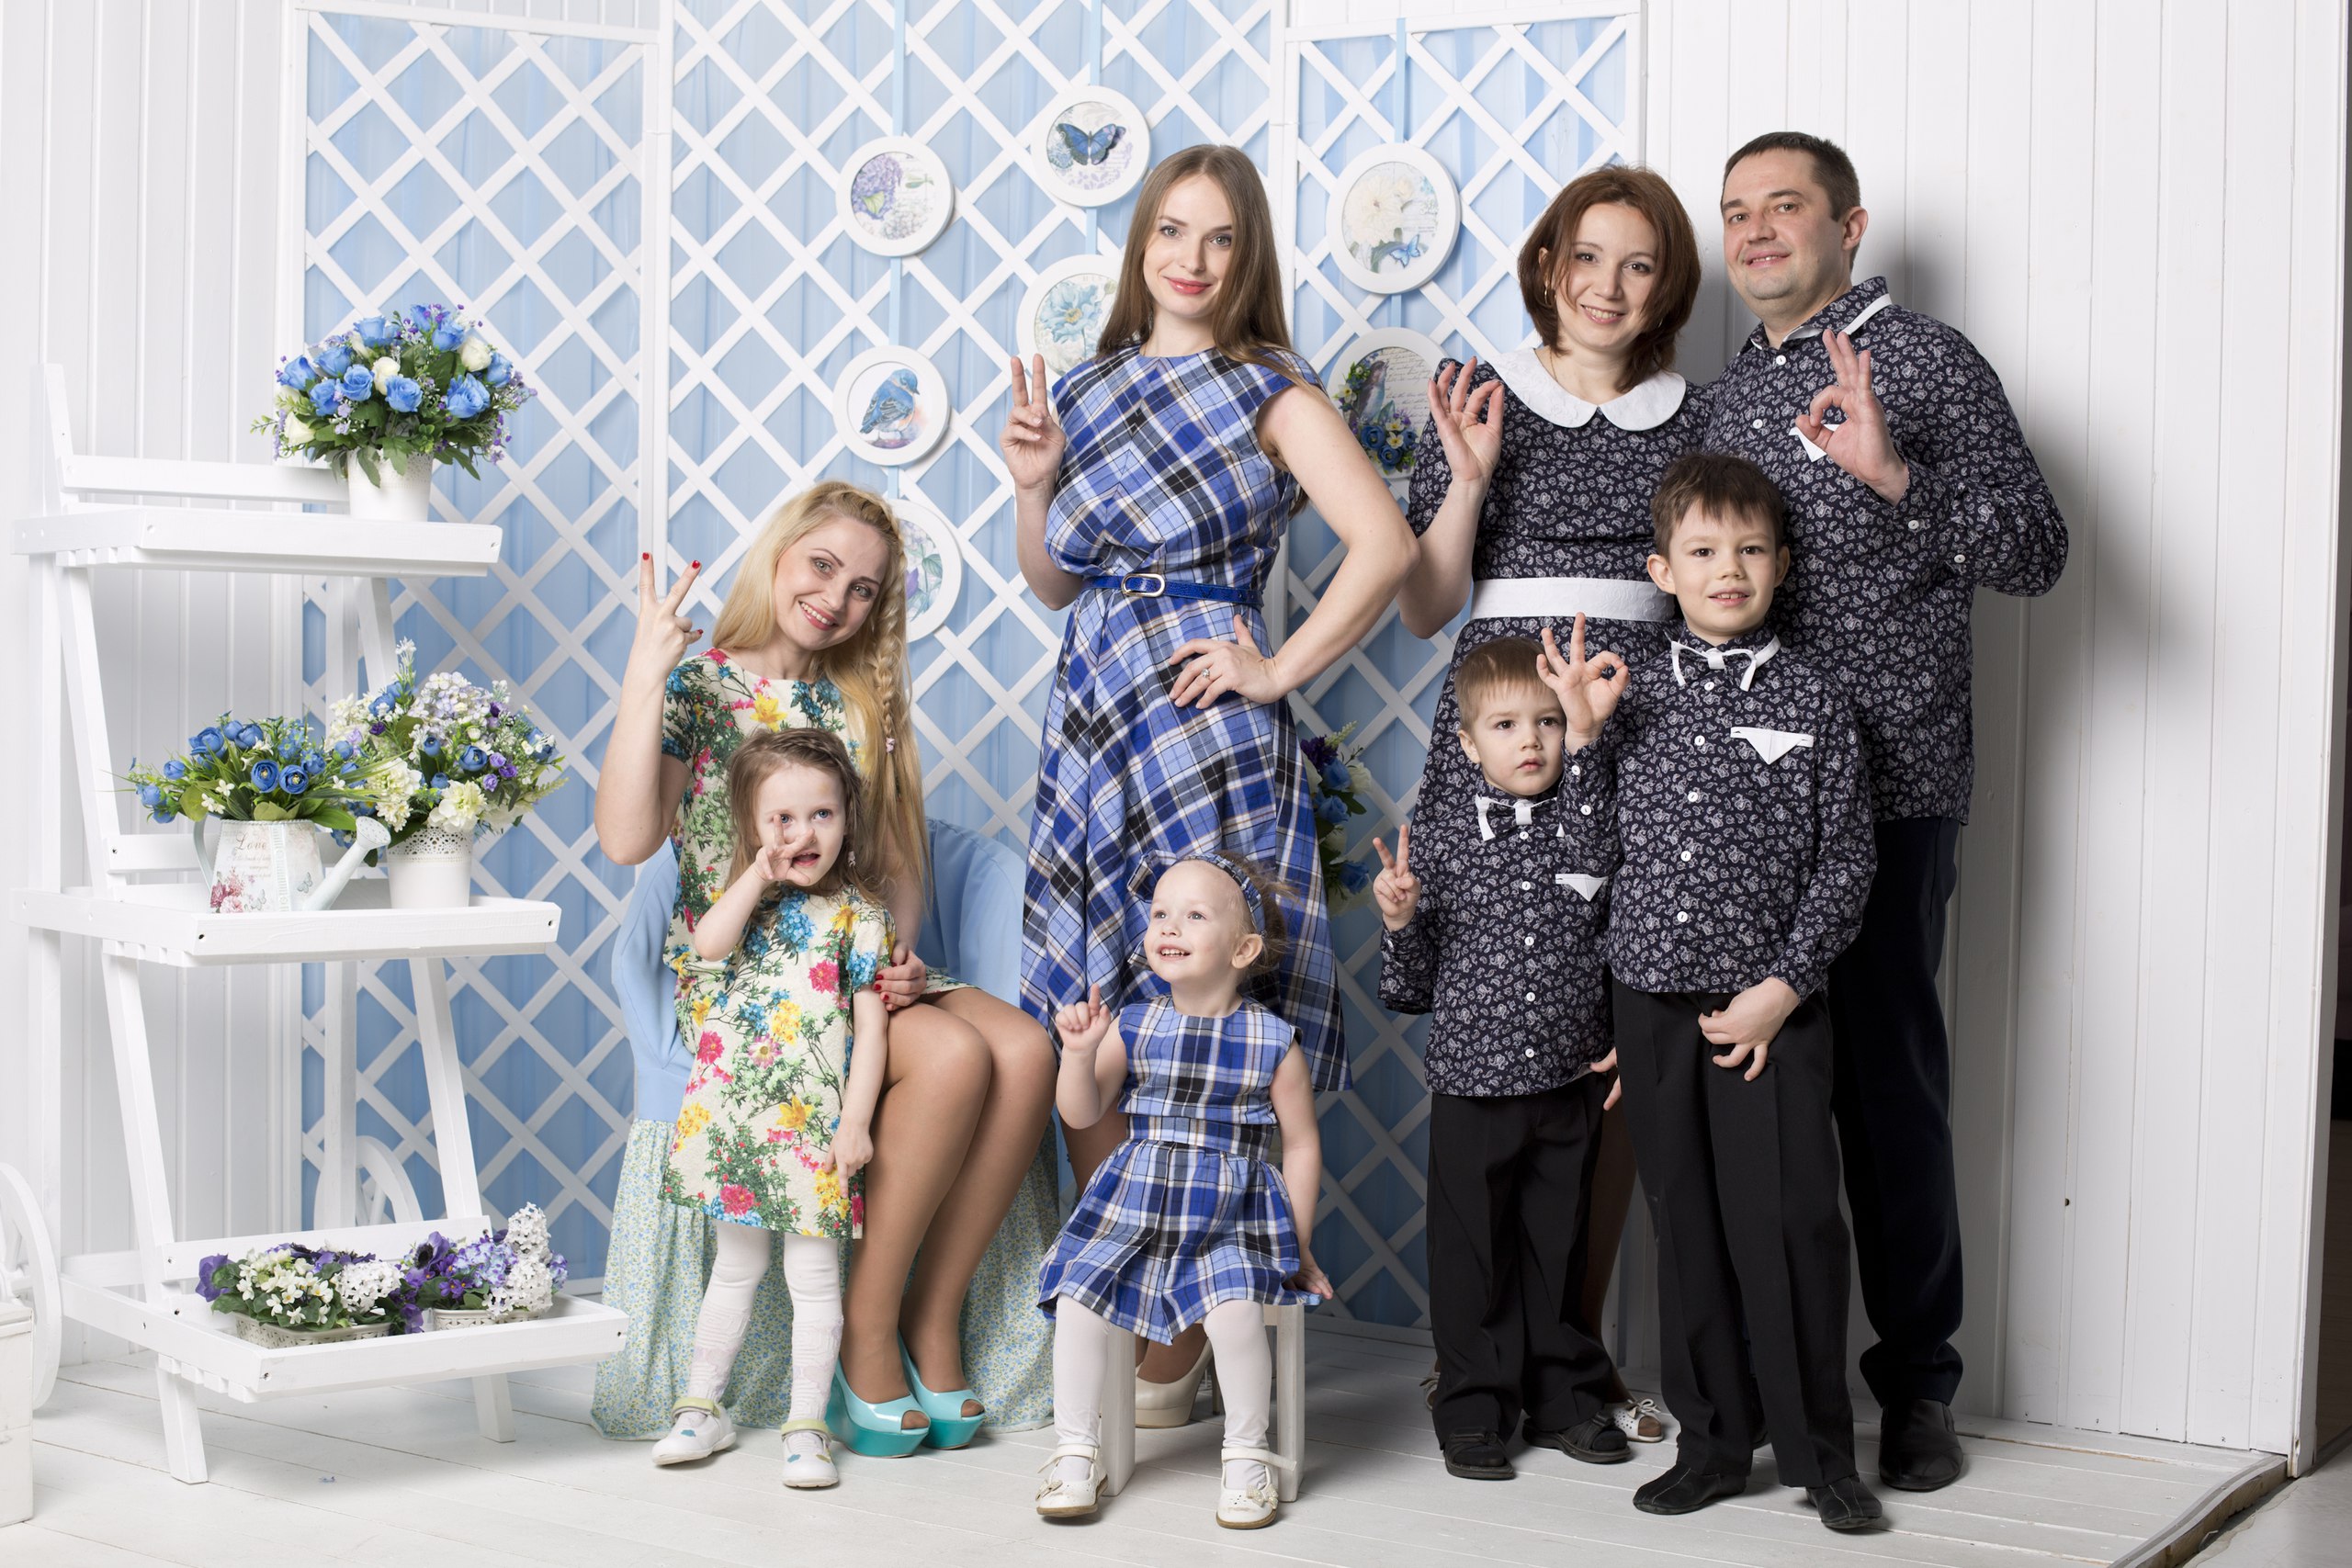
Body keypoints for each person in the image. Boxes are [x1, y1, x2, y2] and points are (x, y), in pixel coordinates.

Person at [1002, 143, 1414, 1418]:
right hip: (1093, 714)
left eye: (1220, 237)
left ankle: (1198, 1322)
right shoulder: (1088, 385)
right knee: (1096, 1011)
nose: (1190, 258)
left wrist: (1274, 666)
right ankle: (1139, 1291)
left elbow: (1385, 546)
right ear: (1141, 243)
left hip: (1200, 724)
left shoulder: (1269, 387)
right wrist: (1031, 488)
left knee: (1208, 1010)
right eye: (1171, 231)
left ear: (1248, 258)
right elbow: (1057, 580)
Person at [1703, 131, 2067, 1490]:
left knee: (1887, 1091)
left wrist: (1893, 476)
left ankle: (1918, 1386)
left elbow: (2037, 550)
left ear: (1848, 226)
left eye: (1783, 206)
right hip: (1738, 805)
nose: (1755, 231)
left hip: (1894, 784)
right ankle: (1762, 1393)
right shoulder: (1721, 397)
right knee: (1757, 1104)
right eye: (1736, 212)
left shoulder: (1924, 364)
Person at [592, 480, 1058, 1451]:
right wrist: (643, 678)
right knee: (956, 1058)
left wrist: (901, 953)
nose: (836, 598)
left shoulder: (859, 698)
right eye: (822, 566)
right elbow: (629, 839)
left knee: (1026, 1051)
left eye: (863, 588)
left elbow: (895, 854)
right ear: (778, 553)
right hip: (750, 980)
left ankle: (932, 1311)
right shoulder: (700, 687)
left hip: (848, 956)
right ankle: (868, 1335)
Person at [1396, 164, 1705, 1448]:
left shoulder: (1698, 413)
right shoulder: (1480, 392)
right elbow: (1426, 604)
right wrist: (1469, 478)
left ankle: (1568, 1353)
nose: (1608, 287)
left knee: (1615, 1037)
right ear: (1546, 264)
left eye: (1639, 264)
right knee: (1501, 1010)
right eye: (1587, 257)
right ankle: (1477, 1360)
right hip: (1504, 716)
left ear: (1667, 284)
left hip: (1642, 717)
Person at [1541, 452, 1880, 1530]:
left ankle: (1822, 1455)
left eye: (1749, 550)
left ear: (1779, 566)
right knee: (1682, 1225)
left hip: (1771, 1008)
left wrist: (1785, 987)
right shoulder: (1624, 694)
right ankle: (1715, 1442)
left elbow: (1846, 862)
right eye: (1701, 552)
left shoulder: (1814, 696)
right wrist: (1582, 740)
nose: (1726, 570)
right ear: (1662, 571)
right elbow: (1586, 854)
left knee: (1789, 1224)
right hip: (1651, 1003)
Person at [1371, 637, 1629, 1482]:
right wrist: (1402, 922)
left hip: (1569, 1077)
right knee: (1471, 1252)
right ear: (1467, 742)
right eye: (1506, 724)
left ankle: (1565, 1396)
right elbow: (1409, 988)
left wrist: (1588, 735)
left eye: (1549, 722)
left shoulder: (1592, 822)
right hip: (1473, 1084)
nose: (1530, 740)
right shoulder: (1440, 843)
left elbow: (1617, 931)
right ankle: (1474, 1406)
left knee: (1559, 1242)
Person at [1033, 854, 1332, 1529]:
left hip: (1230, 1217)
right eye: (1161, 913)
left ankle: (1247, 1456)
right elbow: (1082, 1112)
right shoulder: (1134, 1024)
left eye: (1194, 915)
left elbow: (1302, 1145)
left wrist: (1297, 1244)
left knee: (1235, 1310)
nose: (1169, 926)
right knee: (1079, 1295)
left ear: (1243, 949)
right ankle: (1076, 1449)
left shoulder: (1272, 1040)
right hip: (1135, 1207)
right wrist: (1077, 1055)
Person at [652, 729, 893, 1485]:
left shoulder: (859, 913)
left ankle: (806, 1425)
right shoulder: (747, 899)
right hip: (736, 1116)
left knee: (815, 1275)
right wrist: (755, 876)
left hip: (813, 1123)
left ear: (847, 817)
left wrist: (856, 1121)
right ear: (754, 825)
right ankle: (701, 1408)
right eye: (782, 819)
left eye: (822, 814)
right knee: (736, 1265)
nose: (803, 833)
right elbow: (709, 944)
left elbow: (873, 1029)